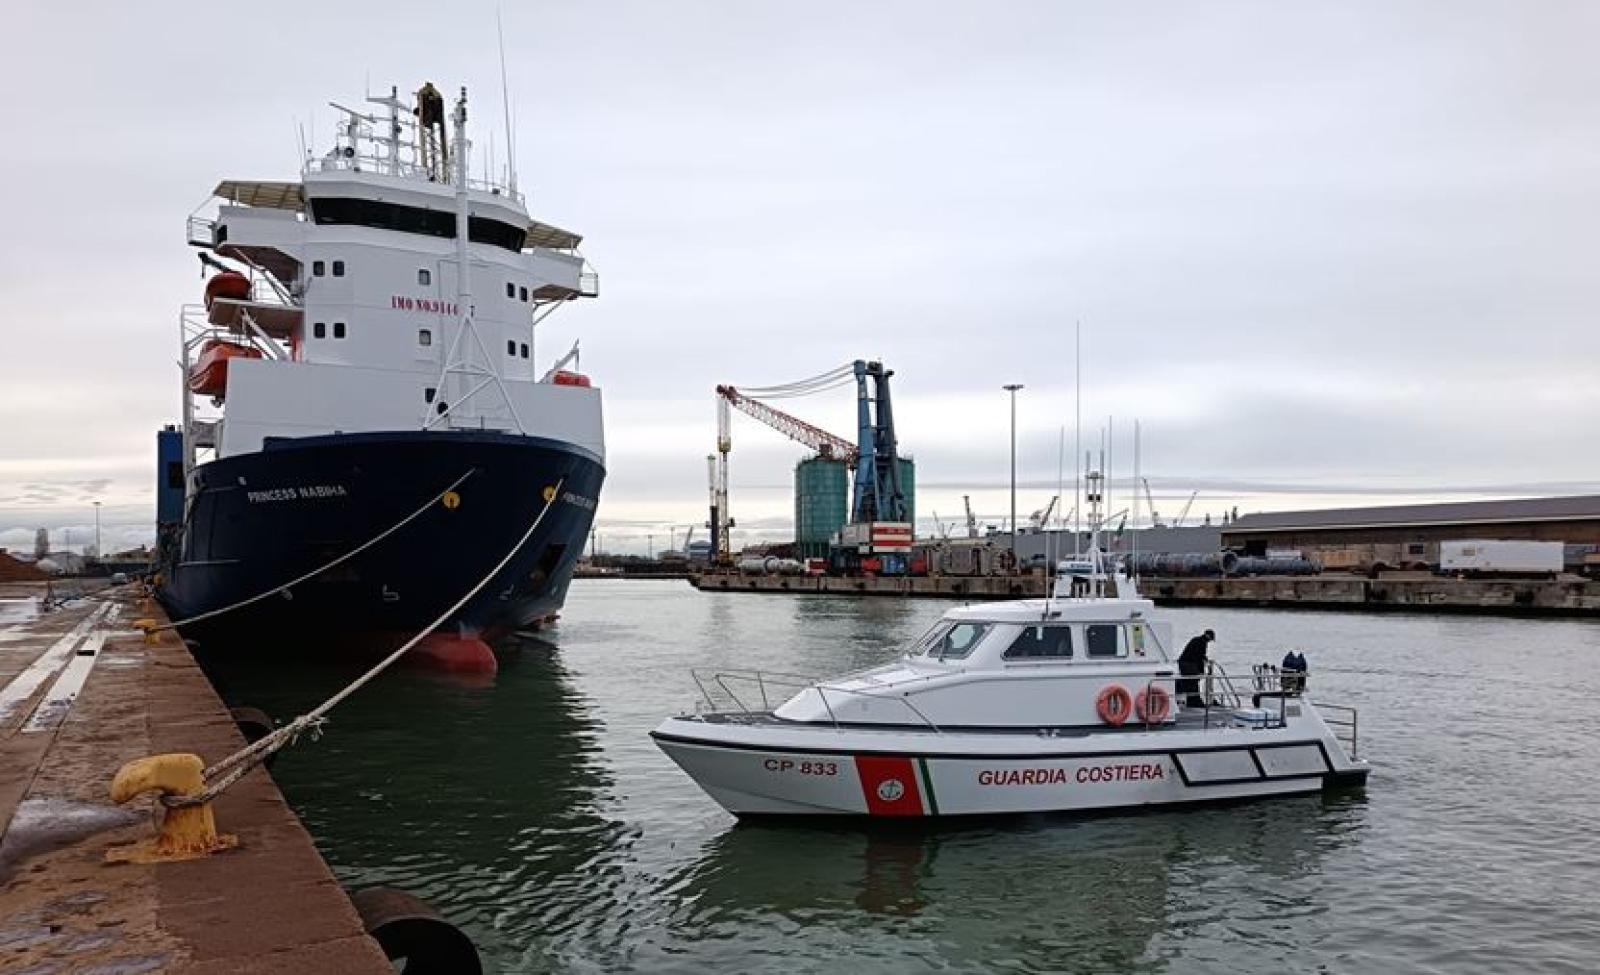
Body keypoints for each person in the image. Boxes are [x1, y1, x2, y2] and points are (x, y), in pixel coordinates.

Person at [1177, 629, 1215, 707]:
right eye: (1211, 639)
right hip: (1188, 664)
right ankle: (1194, 701)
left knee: (1191, 683)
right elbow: (1199, 657)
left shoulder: (1197, 640)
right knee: (1192, 682)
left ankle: (1192, 701)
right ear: (1208, 636)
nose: (1210, 641)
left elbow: (1199, 656)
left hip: (1185, 663)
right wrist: (1201, 671)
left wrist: (1203, 662)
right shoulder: (1202, 642)